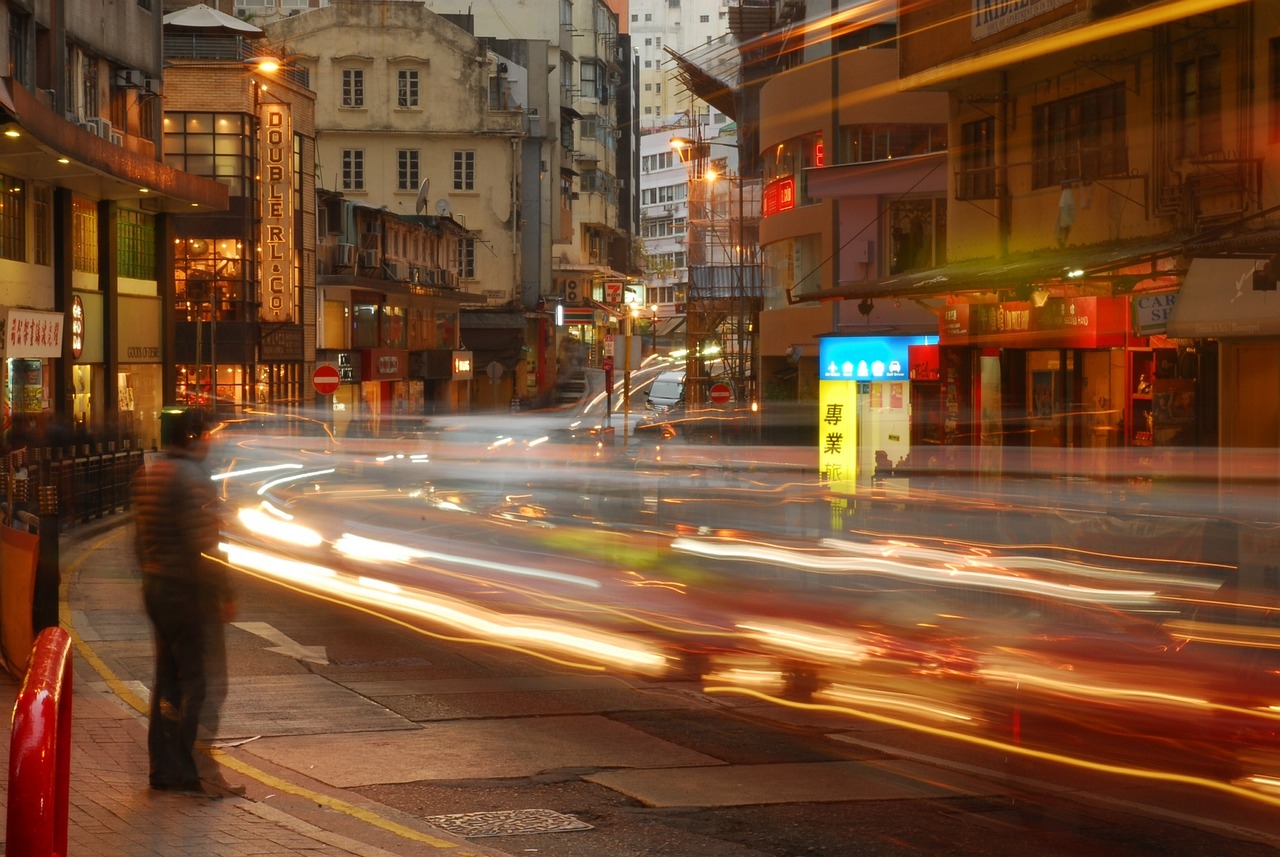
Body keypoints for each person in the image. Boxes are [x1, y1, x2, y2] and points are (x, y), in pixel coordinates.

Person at [131, 409, 239, 798]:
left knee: (168, 683)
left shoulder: (149, 474)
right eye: (209, 434)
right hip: (190, 593)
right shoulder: (193, 479)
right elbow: (204, 545)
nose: (212, 441)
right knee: (204, 685)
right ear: (194, 437)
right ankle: (200, 773)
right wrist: (223, 591)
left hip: (157, 587)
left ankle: (165, 769)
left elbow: (139, 540)